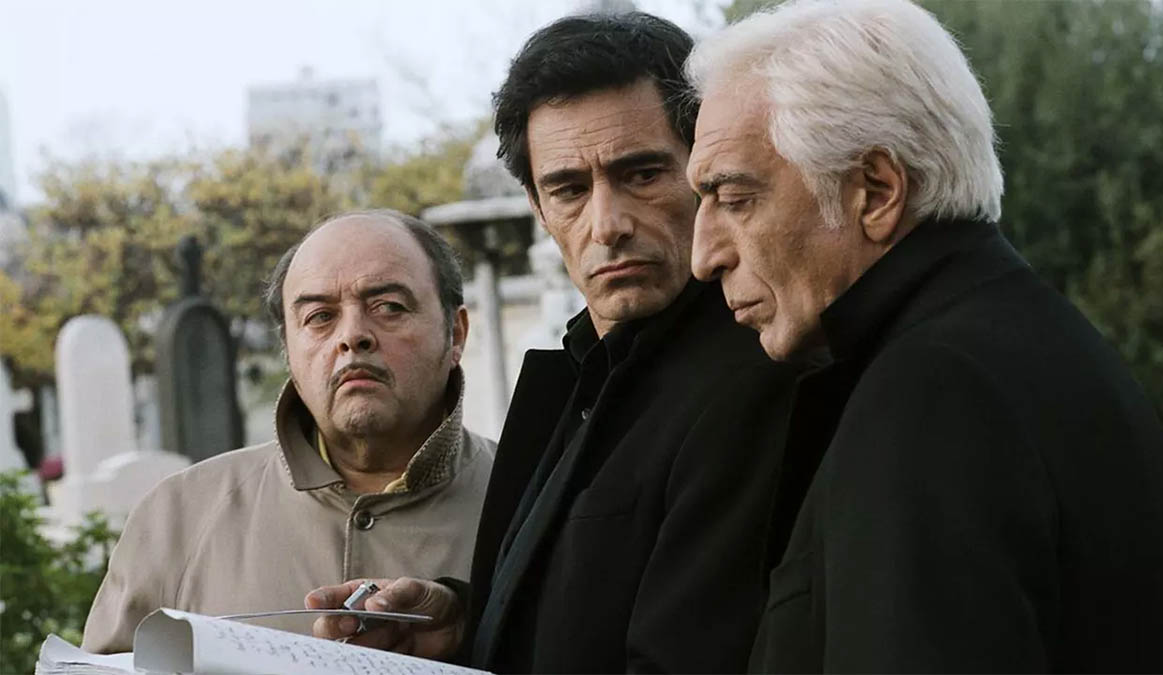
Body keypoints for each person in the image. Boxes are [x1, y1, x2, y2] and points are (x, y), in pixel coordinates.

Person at [683, 0, 1163, 671]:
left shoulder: (931, 393)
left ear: (876, 190)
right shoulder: (1044, 350)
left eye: (735, 199)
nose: (703, 255)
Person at [305, 12, 800, 673]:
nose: (608, 224)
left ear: (702, 171)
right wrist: (466, 622)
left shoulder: (755, 377)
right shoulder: (576, 375)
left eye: (642, 174)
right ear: (538, 208)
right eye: (568, 189)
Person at [82, 210, 494, 653]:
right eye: (319, 316)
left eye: (389, 307)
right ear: (288, 351)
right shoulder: (177, 517)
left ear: (455, 333)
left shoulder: (530, 502)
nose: (352, 336)